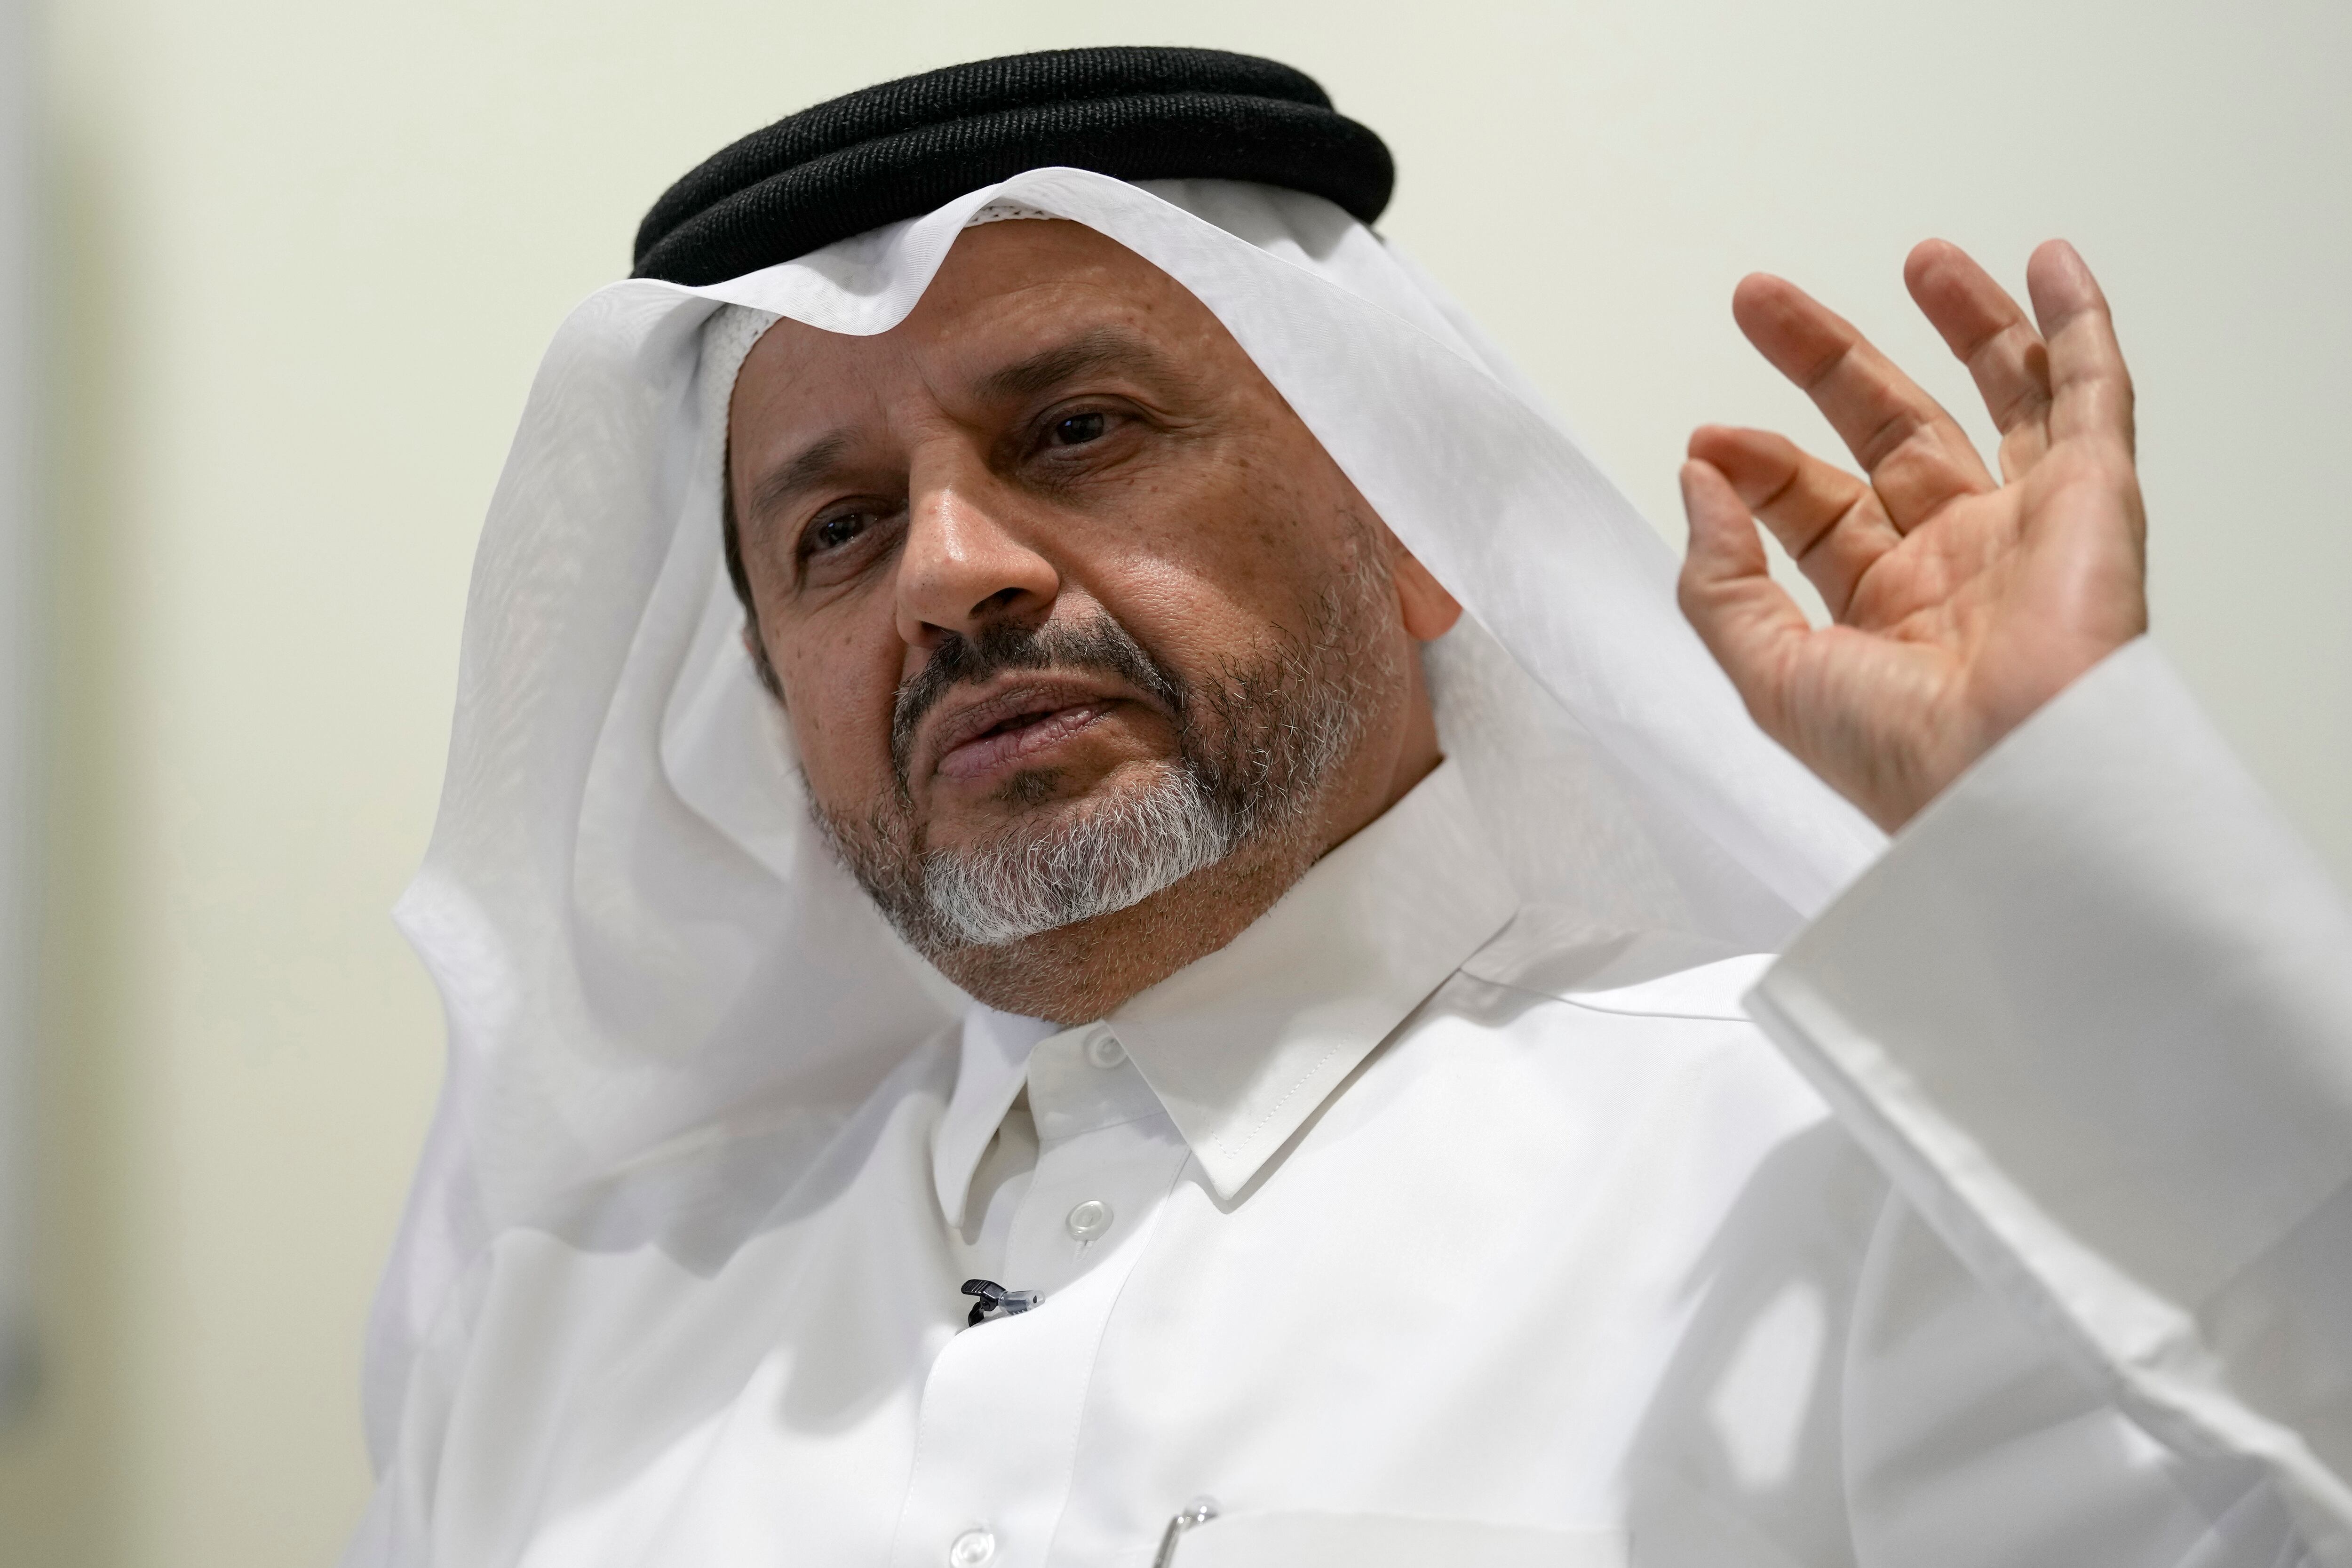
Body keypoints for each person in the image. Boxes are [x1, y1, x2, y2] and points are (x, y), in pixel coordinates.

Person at [347, 47, 2352, 1568]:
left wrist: (2063, 827)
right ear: (779, 703)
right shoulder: (561, 1343)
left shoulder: (1851, 1172)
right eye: (839, 530)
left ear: (1409, 526)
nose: (948, 573)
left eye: (1077, 431)